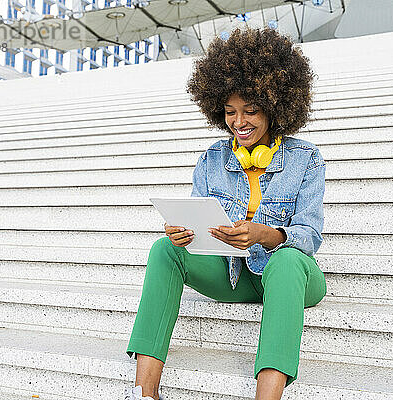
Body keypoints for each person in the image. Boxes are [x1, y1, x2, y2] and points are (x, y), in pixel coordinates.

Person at [125, 27, 327, 400]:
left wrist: (266, 234)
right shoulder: (212, 159)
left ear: (275, 107)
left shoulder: (306, 159)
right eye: (230, 112)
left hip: (291, 278)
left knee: (284, 263)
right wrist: (182, 233)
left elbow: (309, 235)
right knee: (162, 250)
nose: (240, 121)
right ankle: (143, 393)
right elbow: (196, 216)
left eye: (251, 110)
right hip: (233, 274)